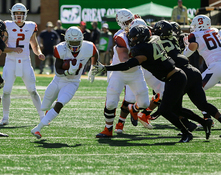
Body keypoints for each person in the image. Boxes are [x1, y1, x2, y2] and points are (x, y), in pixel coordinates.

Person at [92, 25, 212, 142]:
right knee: (176, 109)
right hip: (175, 76)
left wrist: (106, 68)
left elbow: (127, 65)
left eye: (134, 38)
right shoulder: (154, 40)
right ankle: (204, 122)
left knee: (165, 110)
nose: (132, 40)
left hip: (175, 78)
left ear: (141, 38)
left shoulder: (143, 50)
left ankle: (186, 133)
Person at [31, 26, 99, 139]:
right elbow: (58, 70)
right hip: (59, 79)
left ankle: (38, 128)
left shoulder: (89, 47)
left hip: (73, 82)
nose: (75, 44)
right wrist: (68, 71)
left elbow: (95, 53)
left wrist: (93, 67)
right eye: (72, 42)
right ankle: (48, 112)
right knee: (44, 107)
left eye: (77, 41)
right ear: (66, 41)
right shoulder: (60, 48)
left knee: (60, 104)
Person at [153, 20, 219, 132]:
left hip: (181, 74)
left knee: (172, 106)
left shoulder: (157, 42)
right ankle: (200, 122)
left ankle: (188, 128)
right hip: (192, 70)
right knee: (201, 102)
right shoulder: (215, 31)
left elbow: (190, 48)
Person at [95, 9, 150, 138]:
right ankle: (108, 129)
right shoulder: (121, 37)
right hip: (119, 72)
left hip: (136, 72)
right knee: (111, 102)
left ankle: (133, 110)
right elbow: (124, 60)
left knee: (144, 103)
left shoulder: (146, 33)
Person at [0, 3, 45, 126]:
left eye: (21, 13)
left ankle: (42, 116)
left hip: (25, 61)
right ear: (12, 14)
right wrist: (13, 49)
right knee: (6, 91)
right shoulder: (6, 25)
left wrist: (39, 53)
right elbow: (1, 47)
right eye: (16, 13)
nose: (18, 16)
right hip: (11, 61)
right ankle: (5, 118)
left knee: (33, 90)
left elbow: (34, 44)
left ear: (25, 14)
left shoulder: (31, 26)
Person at [183, 15, 221, 131]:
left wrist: (186, 47)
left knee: (196, 90)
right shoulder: (215, 31)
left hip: (216, 66)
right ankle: (207, 117)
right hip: (217, 65)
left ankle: (206, 118)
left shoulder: (195, 35)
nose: (193, 28)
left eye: (194, 26)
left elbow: (188, 53)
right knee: (198, 91)